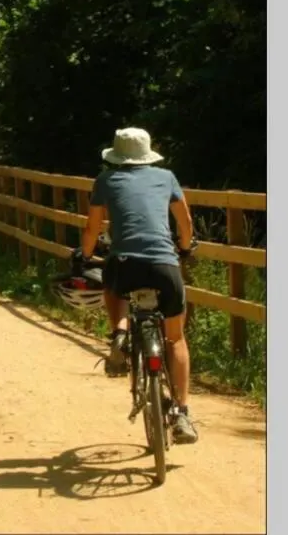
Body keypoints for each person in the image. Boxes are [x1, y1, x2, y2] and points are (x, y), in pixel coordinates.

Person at [72, 127, 199, 444]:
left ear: (116, 156)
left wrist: (84, 255)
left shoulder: (106, 180)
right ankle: (182, 413)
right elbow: (185, 223)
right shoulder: (167, 177)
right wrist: (185, 248)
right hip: (164, 265)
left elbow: (92, 227)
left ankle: (119, 331)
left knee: (112, 287)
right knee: (175, 338)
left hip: (125, 263)